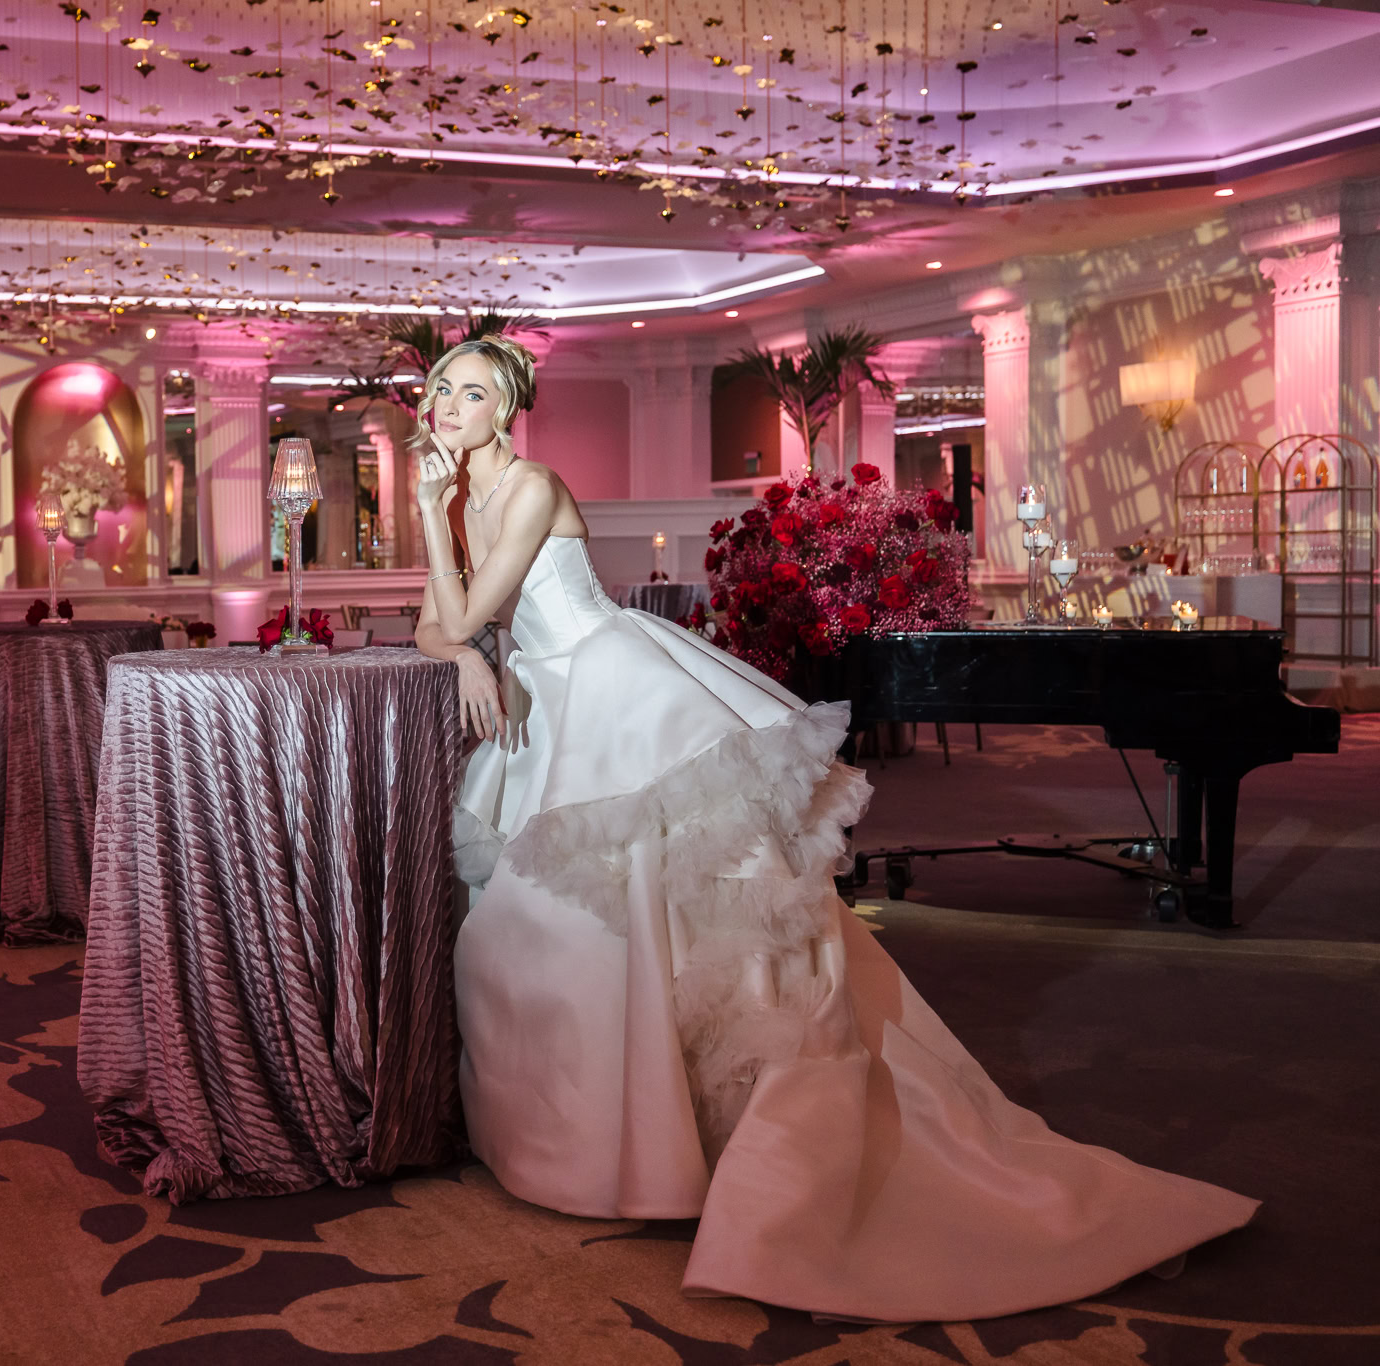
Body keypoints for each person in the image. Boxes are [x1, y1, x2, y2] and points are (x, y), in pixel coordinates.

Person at [409, 336, 1256, 1323]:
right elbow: (440, 623)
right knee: (553, 917)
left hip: (605, 684)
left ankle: (665, 1142)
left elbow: (463, 607)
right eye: (438, 388)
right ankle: (589, 1138)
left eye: (468, 392)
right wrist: (467, 656)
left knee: (615, 912)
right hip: (539, 700)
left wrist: (438, 544)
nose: (445, 403)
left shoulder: (529, 483)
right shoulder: (465, 495)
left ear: (504, 408)